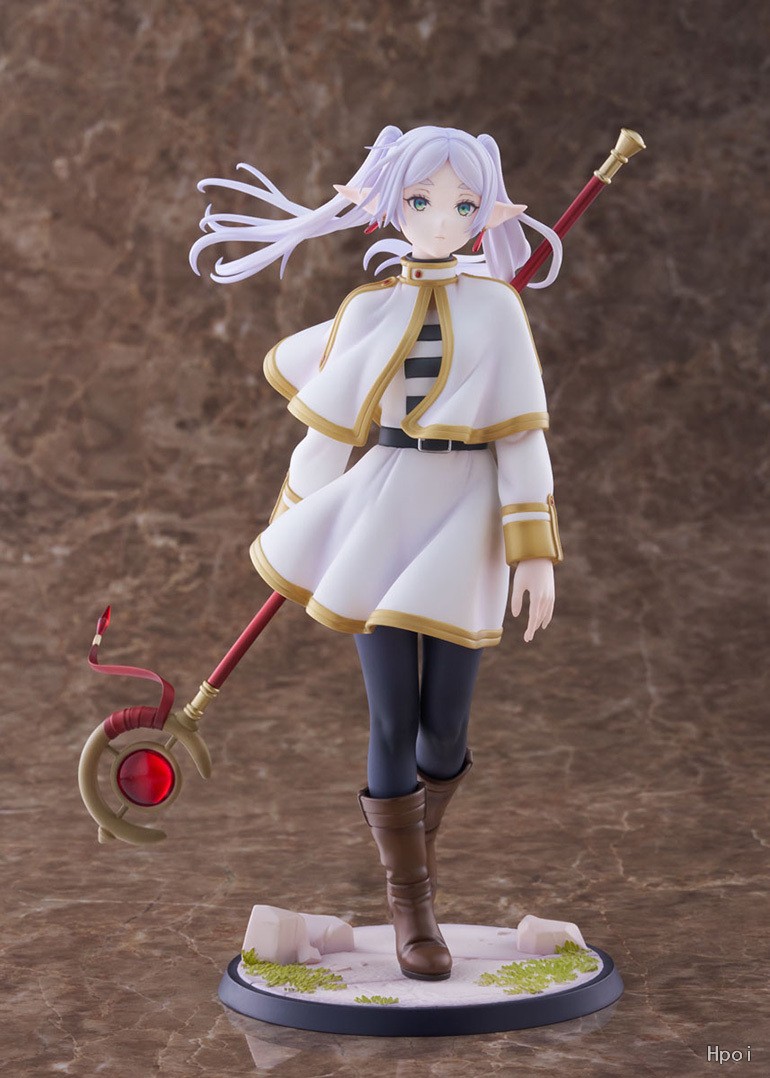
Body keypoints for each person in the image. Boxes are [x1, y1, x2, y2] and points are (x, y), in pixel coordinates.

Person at [190, 125, 564, 982]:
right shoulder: (367, 310)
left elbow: (522, 436)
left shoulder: (498, 309)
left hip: (467, 523)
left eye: (463, 205)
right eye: (422, 201)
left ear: (485, 212)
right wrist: (298, 531)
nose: (440, 219)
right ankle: (412, 907)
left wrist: (535, 550)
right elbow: (325, 437)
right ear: (392, 205)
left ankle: (412, 854)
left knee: (445, 729)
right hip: (382, 513)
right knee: (392, 718)